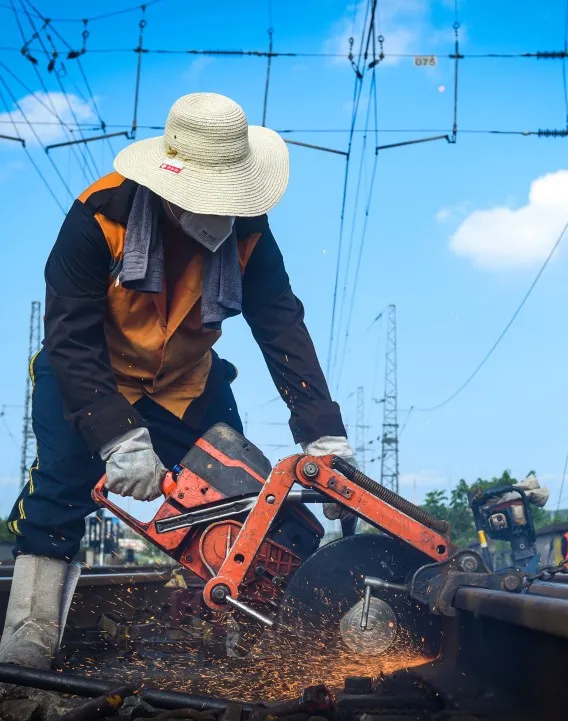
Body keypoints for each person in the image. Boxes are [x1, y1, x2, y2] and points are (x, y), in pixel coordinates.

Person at [0, 93, 356, 670]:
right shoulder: (98, 218)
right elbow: (71, 337)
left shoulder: (249, 231)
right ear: (168, 187)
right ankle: (29, 637)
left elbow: (280, 322)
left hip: (186, 380)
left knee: (242, 495)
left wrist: (323, 435)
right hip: (92, 375)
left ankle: (253, 635)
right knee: (60, 490)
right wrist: (120, 438)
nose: (220, 211)